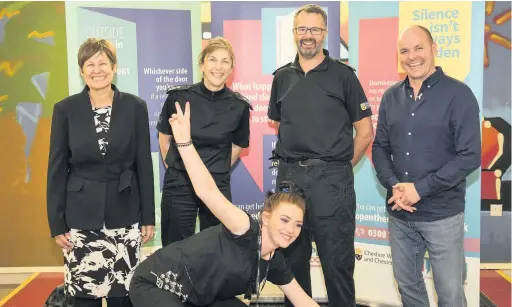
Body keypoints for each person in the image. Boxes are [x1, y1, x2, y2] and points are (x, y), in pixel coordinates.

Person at [130, 102, 319, 307]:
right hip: (157, 285)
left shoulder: (275, 261)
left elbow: (303, 301)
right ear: (265, 217)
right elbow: (207, 191)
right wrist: (184, 142)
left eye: (298, 224)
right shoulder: (243, 227)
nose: (291, 229)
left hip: (197, 299)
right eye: (284, 219)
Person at [267, 4, 374, 307]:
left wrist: (339, 166)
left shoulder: (344, 76)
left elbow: (365, 132)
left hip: (332, 182)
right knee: (292, 265)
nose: (308, 36)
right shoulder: (282, 78)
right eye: (302, 29)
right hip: (290, 181)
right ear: (294, 33)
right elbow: (279, 123)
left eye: (315, 29)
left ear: (325, 33)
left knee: (337, 264)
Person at [372, 25, 481, 307]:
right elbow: (380, 148)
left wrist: (420, 189)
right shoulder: (390, 97)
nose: (412, 56)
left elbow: (469, 155)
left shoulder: (459, 95)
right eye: (404, 51)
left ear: (434, 49)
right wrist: (394, 185)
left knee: (450, 294)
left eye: (419, 48)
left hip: (442, 215)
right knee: (408, 287)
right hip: (400, 213)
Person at [47, 38, 155, 307]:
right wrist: (56, 222)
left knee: (123, 296)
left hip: (126, 213)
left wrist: (148, 216)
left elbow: (143, 164)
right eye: (90, 64)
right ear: (82, 70)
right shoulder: (65, 109)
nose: (97, 70)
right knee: (85, 297)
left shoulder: (135, 107)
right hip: (81, 218)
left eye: (103, 63)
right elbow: (57, 168)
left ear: (114, 67)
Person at [157, 37, 251, 246]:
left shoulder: (239, 106)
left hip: (216, 185)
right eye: (213, 60)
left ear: (231, 68)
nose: (218, 67)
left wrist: (215, 172)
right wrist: (176, 168)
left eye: (225, 61)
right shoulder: (178, 97)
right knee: (175, 250)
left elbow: (237, 146)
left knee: (216, 248)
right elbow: (164, 138)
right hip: (179, 184)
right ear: (202, 64)